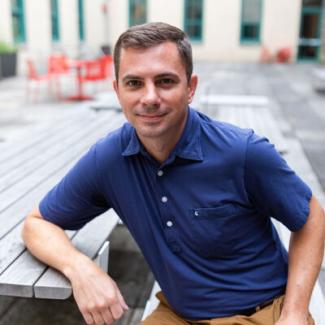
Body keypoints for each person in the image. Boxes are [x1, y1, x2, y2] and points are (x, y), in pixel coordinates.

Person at [22, 22, 325, 325]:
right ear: (117, 90)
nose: (150, 97)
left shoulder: (242, 152)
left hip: (262, 312)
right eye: (134, 83)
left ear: (190, 87)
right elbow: (37, 223)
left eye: (165, 81)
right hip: (179, 315)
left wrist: (295, 314)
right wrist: (80, 268)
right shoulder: (109, 159)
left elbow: (311, 216)